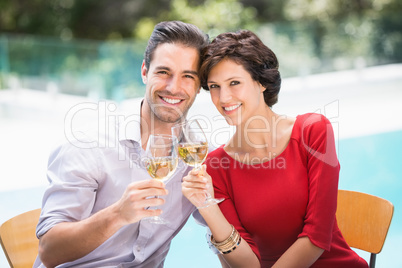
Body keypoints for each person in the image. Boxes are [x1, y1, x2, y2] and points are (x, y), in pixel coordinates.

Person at [182, 30, 369, 267]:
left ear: (260, 82)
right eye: (215, 86)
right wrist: (205, 205)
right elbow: (247, 263)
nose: (224, 97)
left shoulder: (313, 131)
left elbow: (317, 237)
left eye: (234, 83)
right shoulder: (215, 166)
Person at [34, 20, 209, 268]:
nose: (173, 87)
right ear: (144, 72)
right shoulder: (89, 144)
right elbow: (49, 251)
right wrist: (118, 214)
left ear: (199, 85)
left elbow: (234, 223)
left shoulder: (196, 155)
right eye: (163, 72)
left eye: (188, 76)